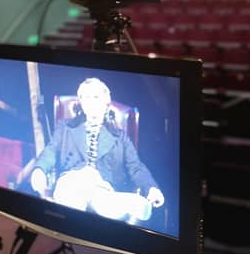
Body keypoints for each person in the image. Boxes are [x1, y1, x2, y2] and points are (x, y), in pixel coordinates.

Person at [30, 77, 164, 222]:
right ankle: (115, 204)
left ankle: (112, 203)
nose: (91, 102)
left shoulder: (120, 137)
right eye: (86, 97)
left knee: (99, 198)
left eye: (95, 97)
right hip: (71, 181)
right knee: (75, 193)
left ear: (106, 103)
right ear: (81, 103)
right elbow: (50, 151)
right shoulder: (66, 128)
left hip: (102, 186)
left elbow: (136, 167)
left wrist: (151, 188)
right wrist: (39, 170)